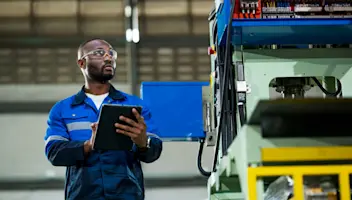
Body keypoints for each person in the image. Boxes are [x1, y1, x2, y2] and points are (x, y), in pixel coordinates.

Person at [43, 38, 163, 200]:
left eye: (111, 53)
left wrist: (143, 143)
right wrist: (88, 145)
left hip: (127, 195)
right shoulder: (63, 109)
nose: (108, 58)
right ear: (81, 63)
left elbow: (153, 152)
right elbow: (54, 153)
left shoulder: (134, 106)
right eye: (99, 53)